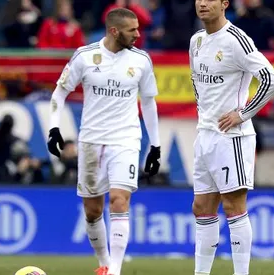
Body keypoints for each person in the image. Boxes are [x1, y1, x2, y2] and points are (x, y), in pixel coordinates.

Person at [46, 8, 161, 275]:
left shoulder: (141, 60)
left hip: (126, 139)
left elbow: (149, 102)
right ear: (114, 31)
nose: (138, 34)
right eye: (132, 30)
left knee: (120, 200)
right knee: (92, 211)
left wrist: (154, 145)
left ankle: (115, 271)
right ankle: (104, 263)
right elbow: (59, 93)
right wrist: (53, 128)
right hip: (91, 141)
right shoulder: (85, 57)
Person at [190, 1, 274, 274]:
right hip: (205, 134)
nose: (202, 3)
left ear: (225, 4)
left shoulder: (236, 40)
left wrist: (243, 114)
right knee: (201, 207)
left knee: (233, 206)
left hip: (232, 137)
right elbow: (196, 83)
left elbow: (271, 79)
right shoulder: (196, 41)